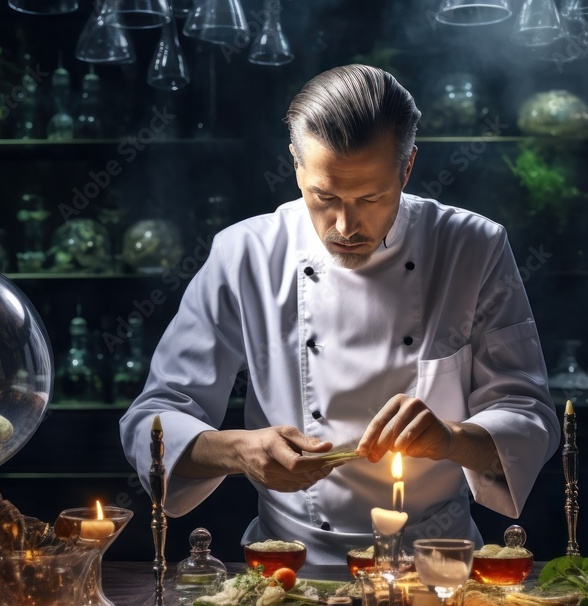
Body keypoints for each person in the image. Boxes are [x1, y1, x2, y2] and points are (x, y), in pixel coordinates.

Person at [119, 64, 560, 564]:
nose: (345, 225)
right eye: (324, 198)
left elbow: (530, 417)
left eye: (371, 198)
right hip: (287, 563)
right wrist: (240, 452)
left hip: (435, 563)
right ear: (295, 166)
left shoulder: (472, 247)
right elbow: (151, 422)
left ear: (408, 167)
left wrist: (451, 439)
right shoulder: (244, 253)